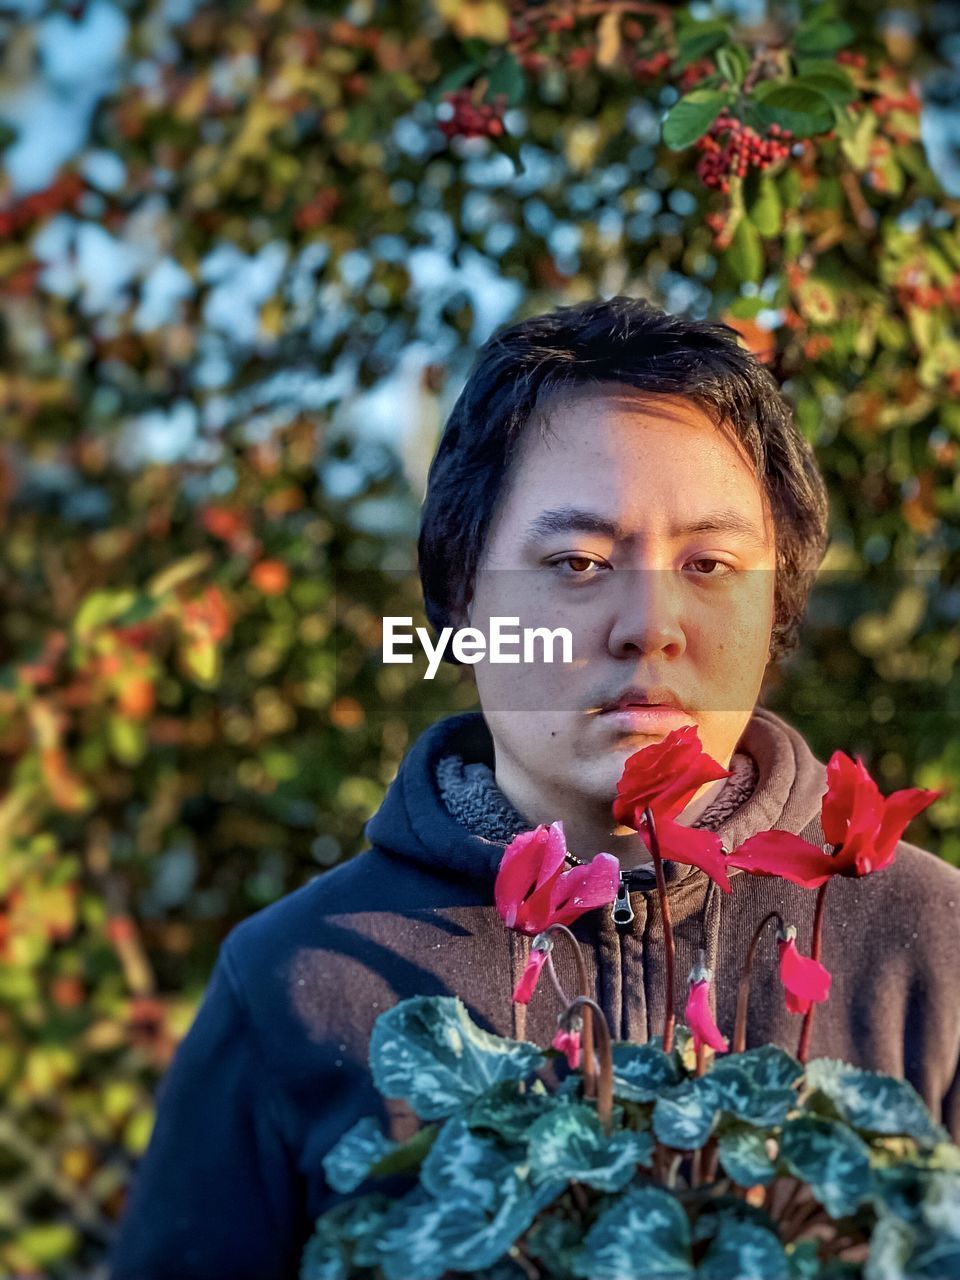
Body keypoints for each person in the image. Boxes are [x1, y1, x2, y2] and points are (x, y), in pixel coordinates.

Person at [109, 297, 960, 1280]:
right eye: (577, 562)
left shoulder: (931, 944)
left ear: (780, 604)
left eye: (711, 563)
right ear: (464, 597)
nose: (650, 623)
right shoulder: (293, 984)